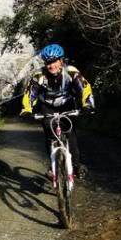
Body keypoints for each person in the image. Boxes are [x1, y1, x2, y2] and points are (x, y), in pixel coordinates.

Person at [20, 44, 95, 179]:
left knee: (70, 133)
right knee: (49, 133)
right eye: (48, 62)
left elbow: (84, 88)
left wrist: (88, 105)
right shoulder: (39, 76)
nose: (51, 65)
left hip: (67, 104)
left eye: (54, 61)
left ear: (61, 60)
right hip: (47, 106)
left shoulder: (71, 72)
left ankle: (76, 165)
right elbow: (30, 94)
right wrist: (27, 110)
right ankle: (53, 165)